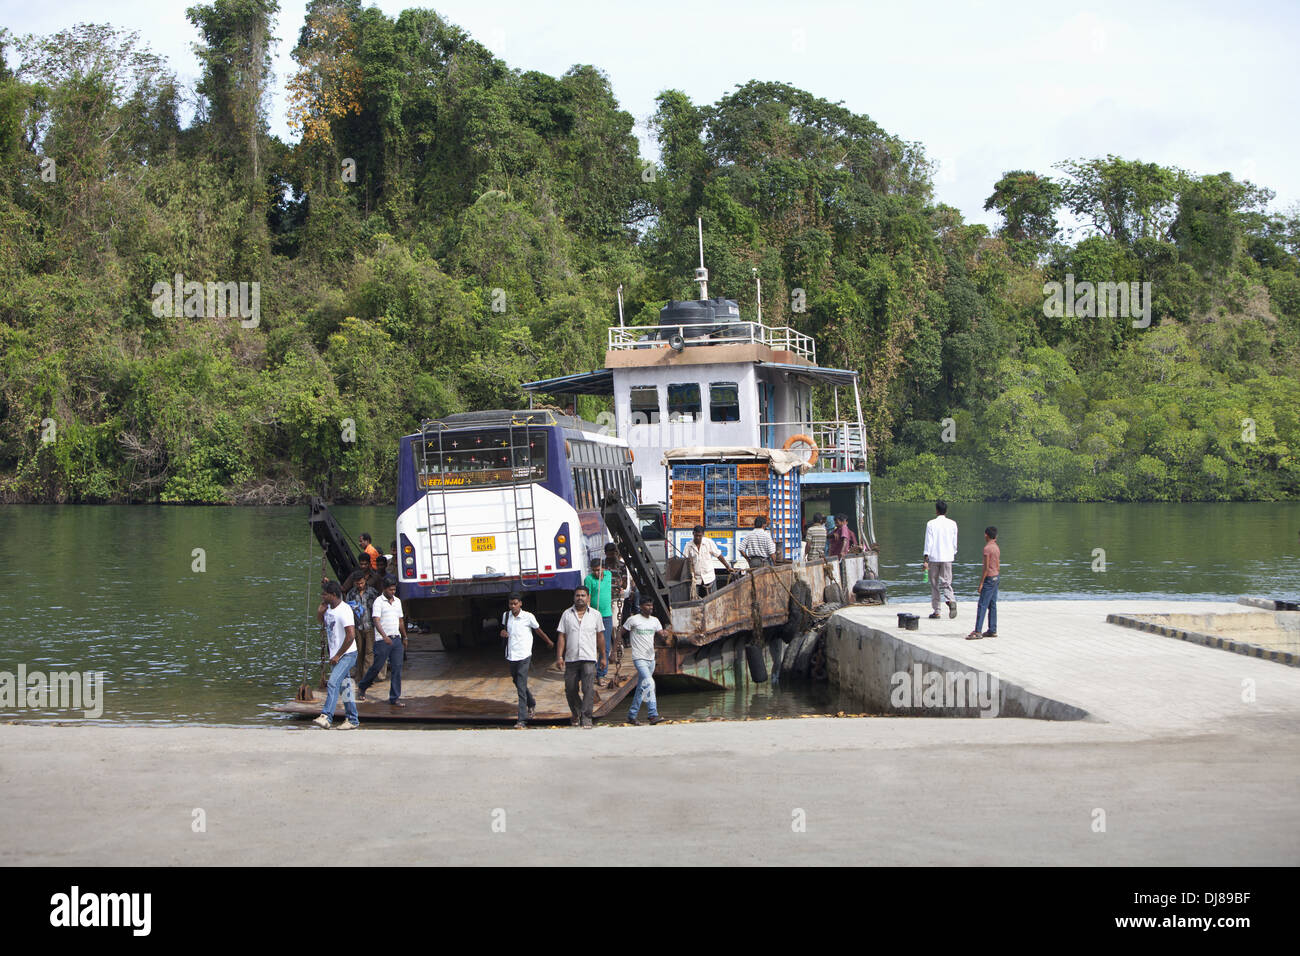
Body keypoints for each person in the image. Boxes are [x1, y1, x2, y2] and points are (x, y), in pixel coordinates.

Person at [499, 592, 554, 728]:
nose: (513, 606)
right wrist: (502, 634)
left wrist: (549, 641)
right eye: (511, 604)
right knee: (516, 681)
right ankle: (531, 702)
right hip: (511, 655)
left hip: (524, 655)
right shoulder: (506, 616)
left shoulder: (528, 617)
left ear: (520, 604)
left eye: (515, 603)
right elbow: (504, 631)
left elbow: (538, 630)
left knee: (521, 686)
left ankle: (521, 719)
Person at [556, 586, 605, 728]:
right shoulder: (566, 614)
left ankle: (587, 717)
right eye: (577, 595)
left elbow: (600, 636)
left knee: (588, 688)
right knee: (570, 688)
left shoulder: (596, 615)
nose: (580, 598)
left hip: (589, 657)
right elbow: (561, 636)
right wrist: (559, 656)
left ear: (588, 597)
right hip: (571, 658)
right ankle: (577, 712)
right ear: (574, 597)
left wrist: (603, 656)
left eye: (583, 595)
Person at [314, 581, 359, 729]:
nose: (322, 596)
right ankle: (352, 720)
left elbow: (351, 635)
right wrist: (320, 613)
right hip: (336, 655)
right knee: (345, 686)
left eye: (325, 594)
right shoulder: (328, 609)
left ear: (333, 595)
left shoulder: (344, 610)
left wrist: (338, 655)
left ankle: (327, 716)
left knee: (333, 682)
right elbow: (325, 624)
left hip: (347, 654)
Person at [358, 579, 408, 705]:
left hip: (396, 639)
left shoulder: (397, 602)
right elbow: (376, 620)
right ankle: (363, 687)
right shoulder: (378, 602)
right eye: (390, 590)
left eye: (394, 590)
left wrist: (405, 636)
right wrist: (384, 636)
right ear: (384, 589)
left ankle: (394, 697)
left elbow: (400, 621)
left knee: (397, 668)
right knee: (377, 667)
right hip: (383, 640)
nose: (393, 592)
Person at [623, 597, 668, 725]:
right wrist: (614, 652)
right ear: (641, 606)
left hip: (650, 659)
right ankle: (653, 715)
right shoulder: (633, 620)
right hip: (639, 657)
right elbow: (620, 633)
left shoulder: (655, 621)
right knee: (649, 683)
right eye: (647, 605)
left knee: (641, 688)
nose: (650, 608)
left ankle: (631, 715)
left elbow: (661, 634)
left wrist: (666, 634)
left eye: (651, 606)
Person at [923, 499, 959, 620]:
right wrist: (952, 553)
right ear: (946, 511)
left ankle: (937, 611)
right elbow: (955, 543)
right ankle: (951, 599)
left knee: (934, 584)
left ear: (937, 510)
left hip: (934, 557)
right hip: (948, 557)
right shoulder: (953, 524)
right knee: (946, 582)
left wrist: (926, 559)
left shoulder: (931, 524)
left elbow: (929, 542)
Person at [584, 557, 616, 684]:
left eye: (598, 570)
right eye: (594, 571)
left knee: (606, 646)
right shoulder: (589, 579)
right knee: (592, 645)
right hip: (594, 616)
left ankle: (602, 673)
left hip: (607, 616)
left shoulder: (608, 574)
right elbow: (588, 596)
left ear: (603, 568)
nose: (597, 573)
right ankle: (590, 671)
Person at [345, 570, 379, 682]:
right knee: (359, 652)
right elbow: (347, 611)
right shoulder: (351, 594)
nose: (360, 585)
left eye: (361, 583)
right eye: (357, 583)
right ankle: (359, 677)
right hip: (357, 627)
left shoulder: (372, 592)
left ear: (365, 580)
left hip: (370, 626)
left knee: (369, 652)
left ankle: (367, 678)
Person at [968, 527, 1000, 640]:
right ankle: (992, 629)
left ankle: (978, 631)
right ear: (995, 536)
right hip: (996, 577)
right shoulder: (996, 547)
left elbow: (986, 568)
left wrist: (981, 583)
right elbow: (998, 565)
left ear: (986, 535)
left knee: (982, 605)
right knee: (992, 604)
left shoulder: (987, 548)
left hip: (989, 578)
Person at [683, 525, 731, 597]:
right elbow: (685, 561)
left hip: (709, 577)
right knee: (695, 600)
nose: (698, 538)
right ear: (693, 534)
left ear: (703, 535)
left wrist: (727, 567)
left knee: (713, 599)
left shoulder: (708, 542)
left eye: (700, 536)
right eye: (696, 536)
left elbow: (718, 555)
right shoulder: (688, 546)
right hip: (696, 580)